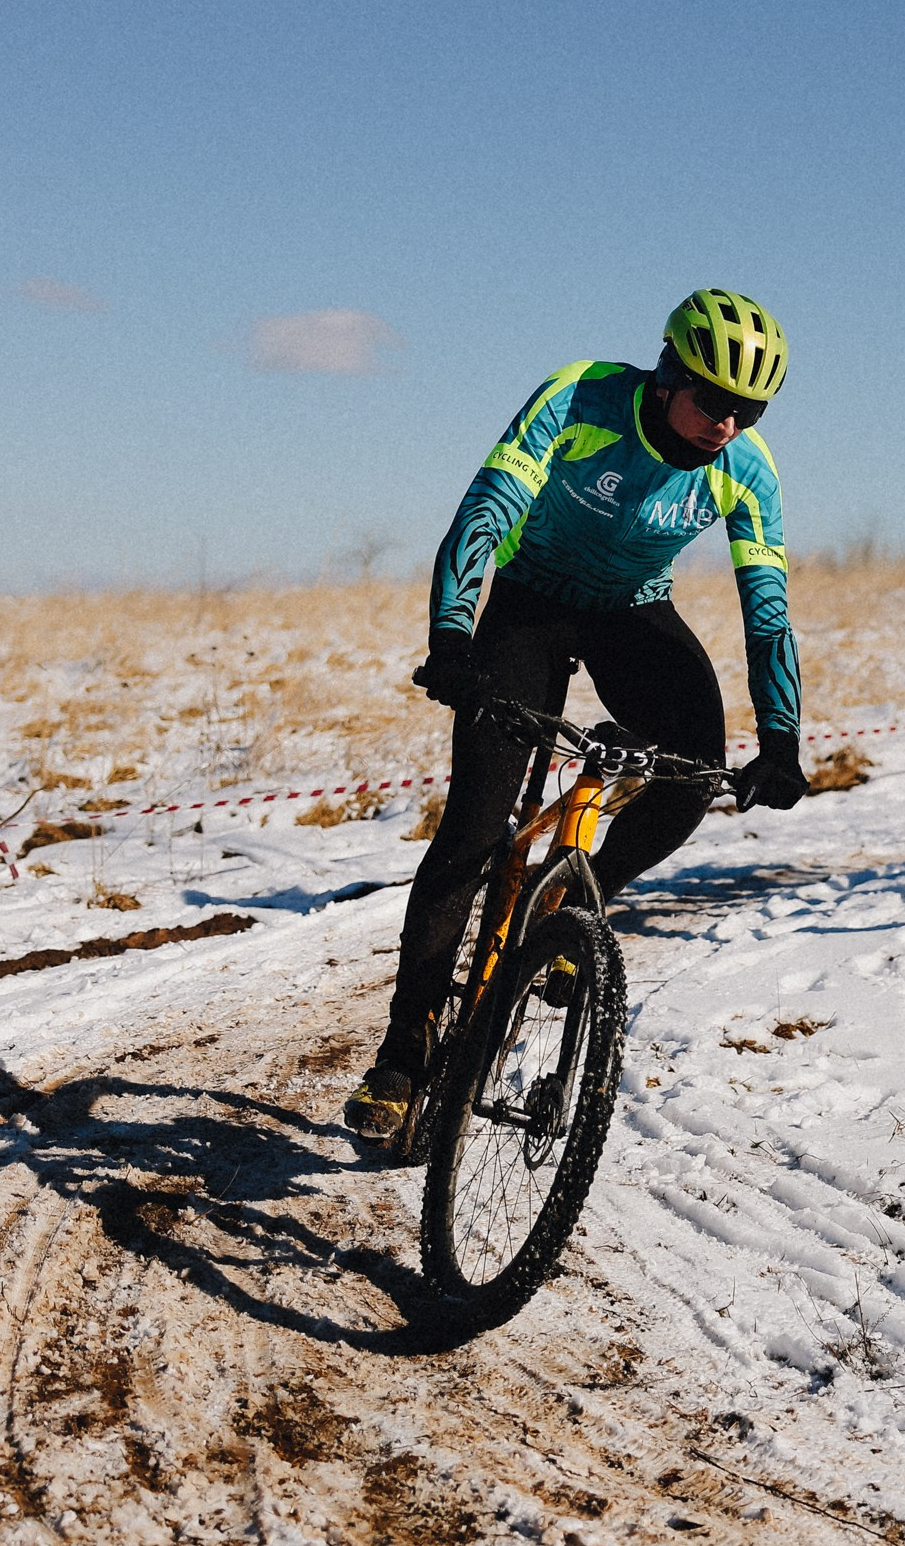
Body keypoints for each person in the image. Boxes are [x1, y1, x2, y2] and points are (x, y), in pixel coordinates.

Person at [346, 289, 809, 1153]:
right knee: (476, 828)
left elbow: (767, 608)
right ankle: (403, 1055)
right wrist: (452, 637)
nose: (729, 424)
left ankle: (572, 908)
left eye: (751, 410)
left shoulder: (747, 470)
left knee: (689, 782)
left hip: (634, 615)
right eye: (714, 400)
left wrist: (781, 739)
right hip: (528, 609)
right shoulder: (583, 396)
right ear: (670, 374)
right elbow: (483, 510)